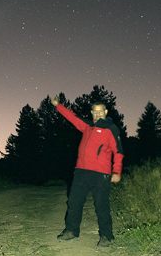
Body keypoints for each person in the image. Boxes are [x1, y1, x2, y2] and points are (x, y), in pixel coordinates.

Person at [51, 96, 124, 247]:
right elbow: (73, 117)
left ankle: (107, 236)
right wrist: (58, 106)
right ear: (92, 113)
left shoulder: (111, 128)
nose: (98, 115)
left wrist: (116, 171)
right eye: (95, 112)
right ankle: (71, 231)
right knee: (74, 201)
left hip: (101, 174)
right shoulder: (87, 126)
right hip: (81, 171)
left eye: (100, 112)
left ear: (106, 111)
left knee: (101, 205)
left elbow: (118, 152)